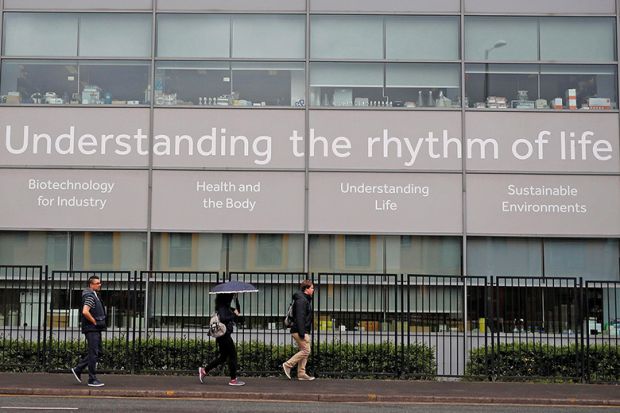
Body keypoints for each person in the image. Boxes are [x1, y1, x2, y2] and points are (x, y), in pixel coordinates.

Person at [198, 293, 245, 386]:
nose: (231, 299)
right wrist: (233, 316)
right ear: (226, 298)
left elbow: (238, 311)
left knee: (223, 357)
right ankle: (233, 379)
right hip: (224, 336)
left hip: (223, 336)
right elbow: (224, 318)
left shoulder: (226, 307)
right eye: (230, 297)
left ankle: (204, 370)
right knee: (233, 356)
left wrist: (236, 300)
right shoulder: (222, 308)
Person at [70, 275, 107, 387]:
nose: (99, 285)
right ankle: (92, 379)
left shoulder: (95, 295)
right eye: (97, 283)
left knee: (98, 352)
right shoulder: (90, 296)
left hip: (95, 329)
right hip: (92, 329)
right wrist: (94, 321)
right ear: (91, 285)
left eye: (100, 283)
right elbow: (85, 311)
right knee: (94, 353)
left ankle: (78, 369)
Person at [282, 279, 315, 381]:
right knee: (306, 350)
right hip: (299, 330)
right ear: (306, 289)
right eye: (312, 288)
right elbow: (300, 317)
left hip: (301, 329)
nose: (313, 290)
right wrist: (302, 333)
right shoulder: (301, 300)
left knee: (304, 350)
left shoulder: (304, 299)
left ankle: (301, 373)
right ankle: (288, 364)